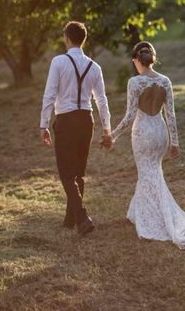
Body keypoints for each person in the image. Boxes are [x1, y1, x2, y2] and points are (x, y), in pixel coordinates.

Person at [109, 41, 185, 248]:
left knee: (147, 173)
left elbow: (130, 116)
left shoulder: (134, 83)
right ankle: (137, 212)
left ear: (136, 60)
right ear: (153, 58)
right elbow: (171, 115)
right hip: (159, 132)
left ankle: (155, 219)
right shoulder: (165, 81)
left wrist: (112, 136)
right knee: (152, 172)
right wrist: (174, 142)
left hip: (142, 132)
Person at [40, 21, 112, 236]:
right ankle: (70, 220)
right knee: (78, 172)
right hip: (86, 121)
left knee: (66, 173)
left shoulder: (59, 62)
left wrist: (43, 124)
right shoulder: (95, 66)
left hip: (66, 120)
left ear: (67, 39)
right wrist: (107, 128)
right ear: (84, 40)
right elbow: (102, 100)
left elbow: (50, 94)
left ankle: (81, 217)